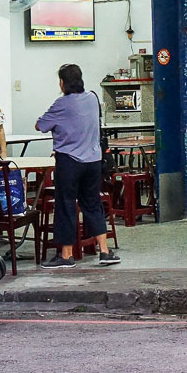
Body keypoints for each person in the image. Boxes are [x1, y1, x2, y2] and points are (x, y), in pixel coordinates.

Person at [36, 64, 120, 269]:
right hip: (93, 162)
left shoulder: (61, 104)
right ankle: (105, 252)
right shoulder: (92, 98)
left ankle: (66, 255)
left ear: (62, 83)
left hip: (70, 162)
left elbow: (40, 125)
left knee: (65, 205)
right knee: (92, 203)